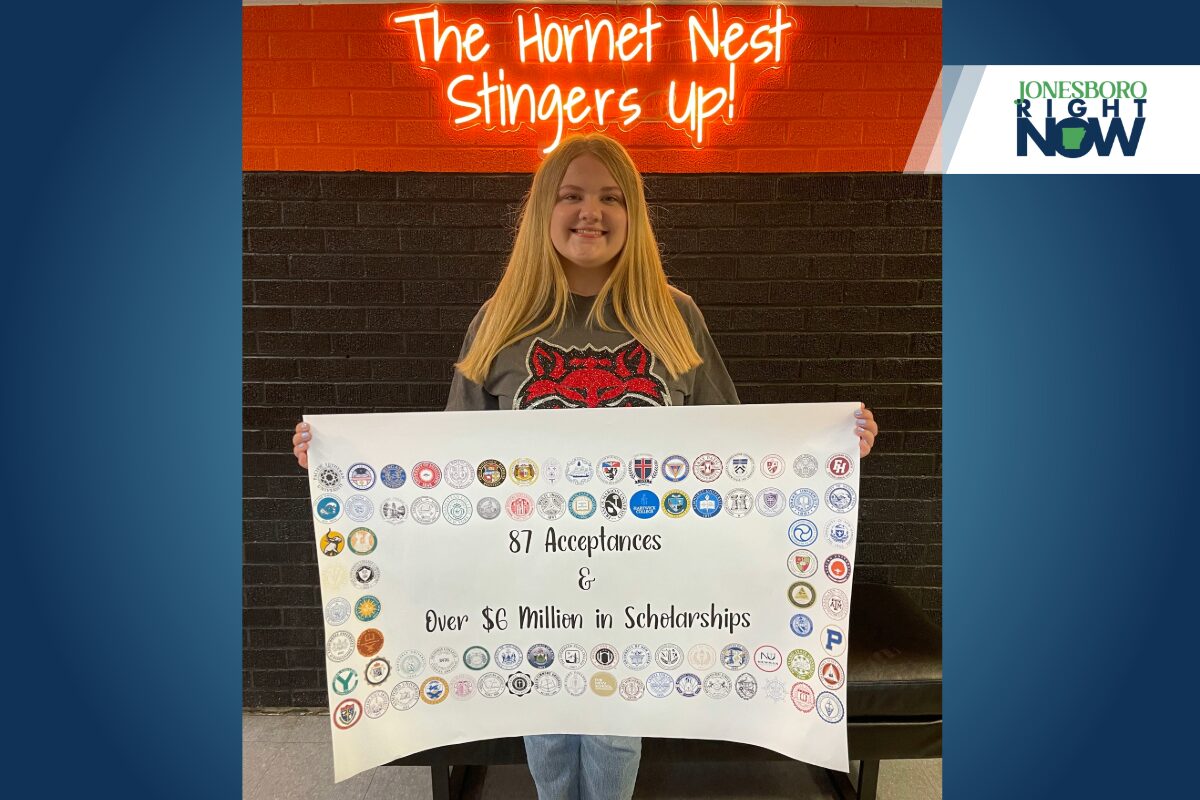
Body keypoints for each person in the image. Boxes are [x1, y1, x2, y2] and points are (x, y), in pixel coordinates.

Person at [292, 133, 879, 800]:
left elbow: (736, 449)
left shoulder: (672, 315)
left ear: (634, 214)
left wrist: (828, 452)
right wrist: (341, 462)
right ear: (543, 210)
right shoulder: (502, 320)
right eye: (571, 195)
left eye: (611, 197)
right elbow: (449, 455)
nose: (590, 212)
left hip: (645, 573)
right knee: (544, 721)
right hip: (529, 573)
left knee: (613, 727)